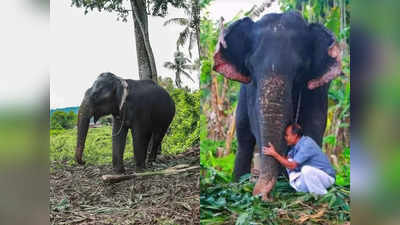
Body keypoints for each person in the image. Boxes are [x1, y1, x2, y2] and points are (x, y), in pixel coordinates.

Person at [263, 123, 336, 195]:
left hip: (326, 178)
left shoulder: (307, 144)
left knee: (306, 170)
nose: (285, 138)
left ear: (295, 135)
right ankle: (309, 192)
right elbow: (287, 162)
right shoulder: (294, 148)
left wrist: (275, 154)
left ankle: (322, 195)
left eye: (287, 135)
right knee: (290, 162)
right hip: (312, 179)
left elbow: (292, 166)